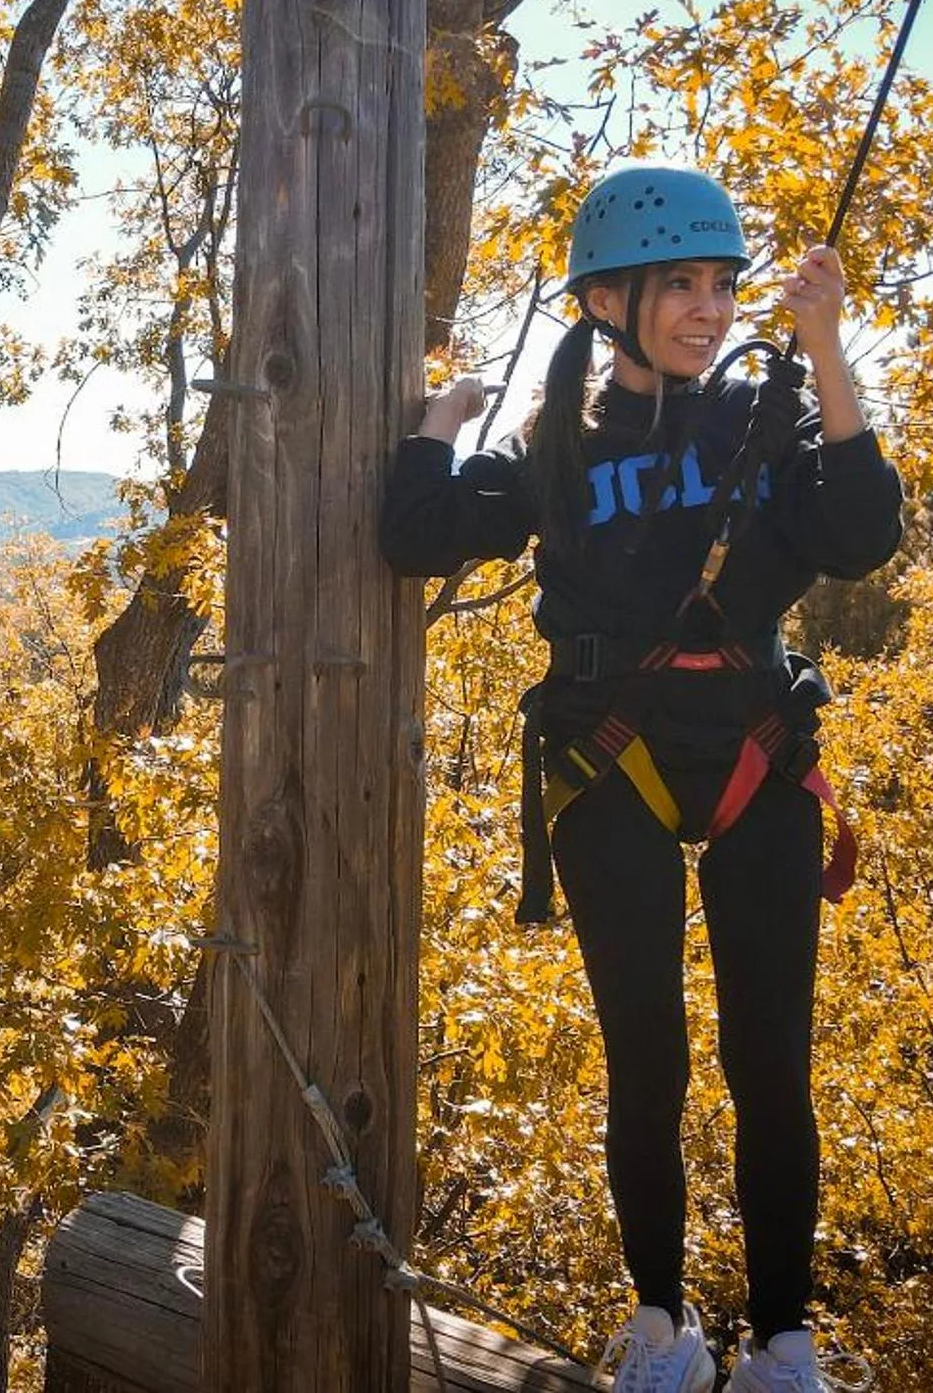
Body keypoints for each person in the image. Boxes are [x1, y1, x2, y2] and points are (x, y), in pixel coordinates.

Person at [381, 163, 902, 1393]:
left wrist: (823, 349)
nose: (709, 308)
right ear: (607, 302)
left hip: (754, 761)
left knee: (769, 1057)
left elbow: (861, 532)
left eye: (721, 285)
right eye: (680, 285)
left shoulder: (761, 422)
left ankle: (782, 1343)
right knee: (647, 1059)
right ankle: (659, 1325)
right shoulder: (556, 445)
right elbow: (414, 537)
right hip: (609, 766)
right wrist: (440, 420)